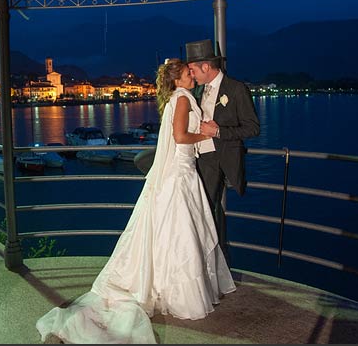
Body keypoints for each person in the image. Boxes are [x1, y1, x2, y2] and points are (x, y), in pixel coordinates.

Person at [36, 59, 236, 344]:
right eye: (186, 73)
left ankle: (172, 287)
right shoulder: (181, 100)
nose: (192, 75)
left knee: (177, 235)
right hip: (180, 174)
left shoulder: (179, 98)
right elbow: (180, 137)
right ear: (177, 79)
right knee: (181, 234)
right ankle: (180, 293)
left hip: (184, 171)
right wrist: (206, 134)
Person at [186, 39, 260, 260]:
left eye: (192, 70)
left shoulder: (236, 89)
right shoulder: (198, 90)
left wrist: (218, 131)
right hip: (196, 158)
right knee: (198, 208)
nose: (192, 75)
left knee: (207, 209)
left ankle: (216, 259)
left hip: (217, 158)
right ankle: (204, 258)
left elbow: (253, 128)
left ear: (206, 67)